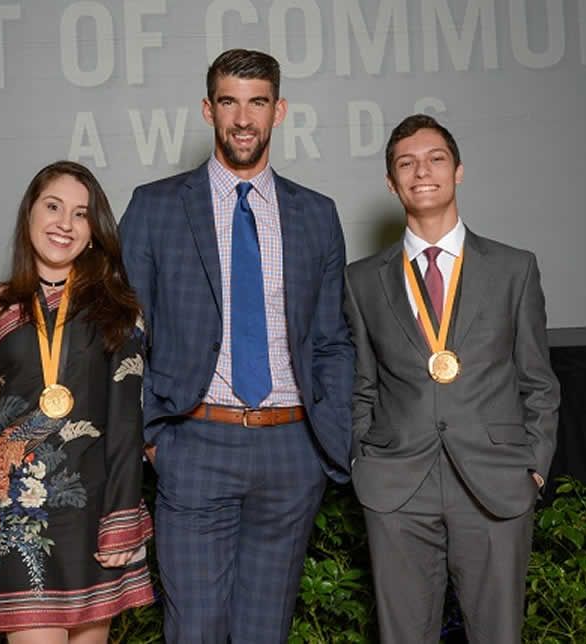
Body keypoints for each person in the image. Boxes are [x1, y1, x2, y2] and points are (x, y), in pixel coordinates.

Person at [118, 49, 353, 643]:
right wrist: (153, 440)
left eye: (257, 102)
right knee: (194, 629)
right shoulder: (156, 206)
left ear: (280, 111)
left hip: (291, 451)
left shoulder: (316, 215)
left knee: (263, 633)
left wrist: (328, 442)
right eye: (229, 101)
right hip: (195, 442)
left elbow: (331, 341)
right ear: (207, 109)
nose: (243, 118)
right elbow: (123, 334)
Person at [343, 114, 560, 643]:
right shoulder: (361, 280)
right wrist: (361, 460)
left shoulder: (515, 269)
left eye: (436, 158)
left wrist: (532, 466)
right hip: (396, 486)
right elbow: (360, 385)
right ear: (392, 183)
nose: (423, 171)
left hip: (495, 482)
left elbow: (538, 379)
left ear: (458, 171)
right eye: (406, 163)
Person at [0, 161, 154, 642]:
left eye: (81, 214)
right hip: (16, 518)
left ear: (93, 232)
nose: (65, 223)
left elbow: (128, 421)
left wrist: (123, 516)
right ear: (29, 215)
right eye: (53, 207)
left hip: (94, 515)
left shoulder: (119, 312)